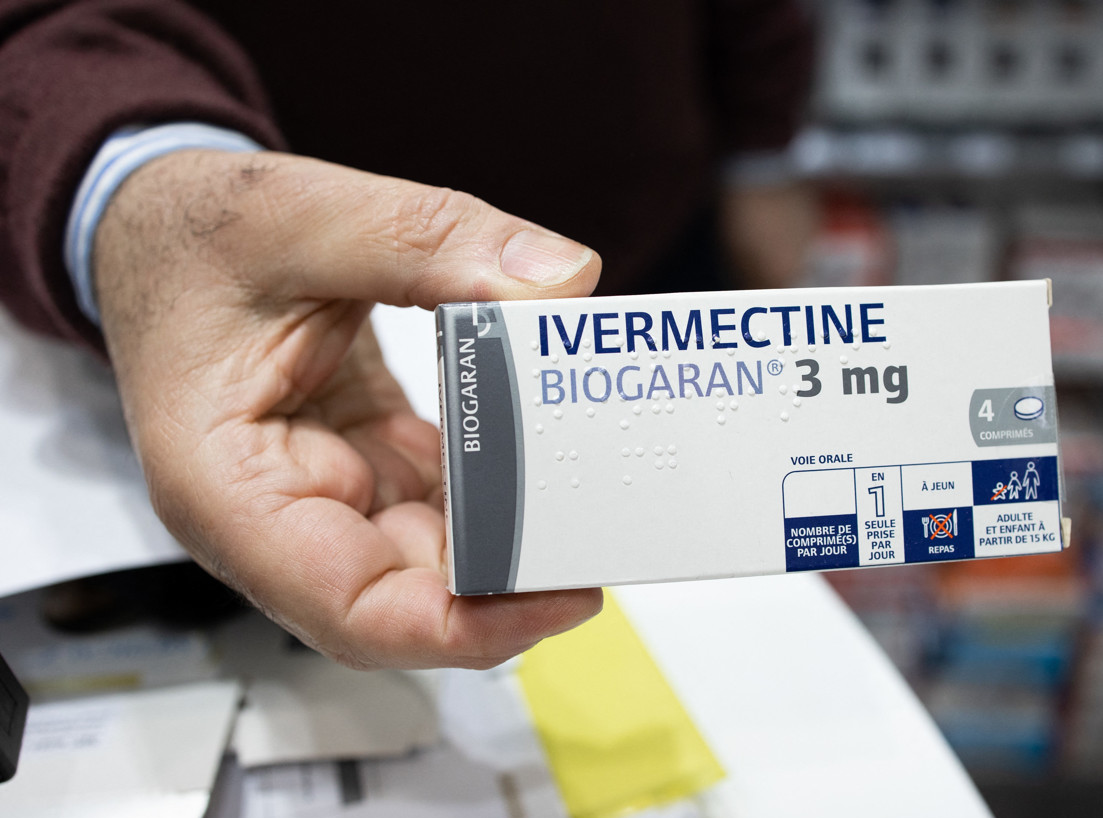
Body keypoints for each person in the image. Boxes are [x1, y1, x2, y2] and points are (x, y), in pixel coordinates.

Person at [0, 1, 815, 669]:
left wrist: (761, 144)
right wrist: (145, 187)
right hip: (290, 311)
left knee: (721, 629)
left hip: (652, 240)